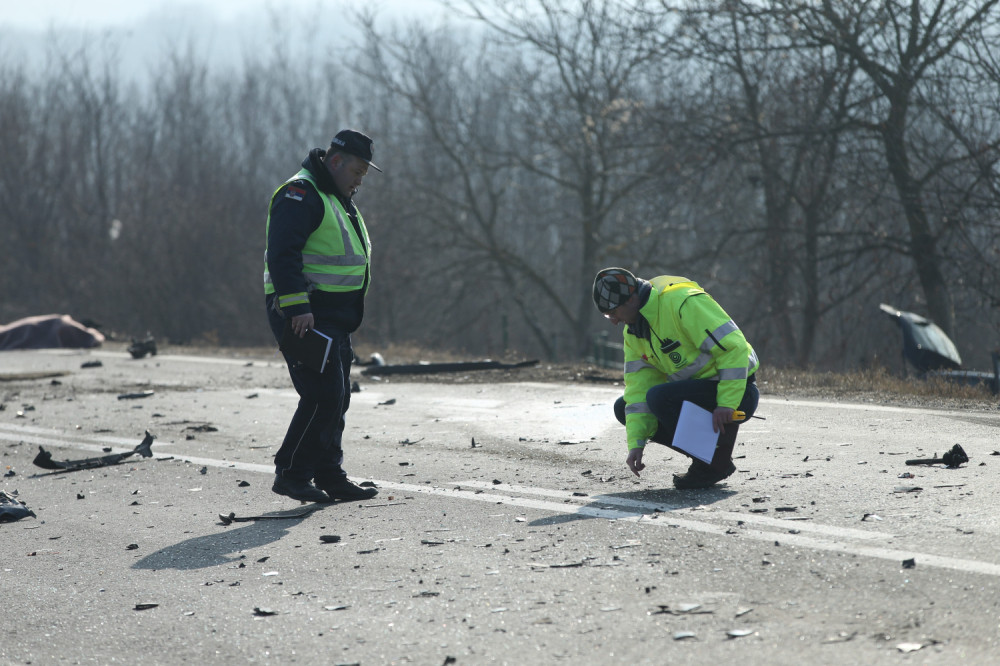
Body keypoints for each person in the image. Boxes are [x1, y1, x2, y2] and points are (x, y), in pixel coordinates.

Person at [263, 129, 383, 502]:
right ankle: (292, 473)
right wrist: (298, 307)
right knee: (322, 396)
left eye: (365, 173)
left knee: (338, 396)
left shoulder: (336, 195)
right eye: (358, 171)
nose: (360, 179)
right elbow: (283, 254)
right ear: (335, 162)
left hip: (333, 315)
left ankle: (330, 474)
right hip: (304, 314)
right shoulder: (300, 194)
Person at [593, 267, 760, 489]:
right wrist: (637, 443)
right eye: (607, 315)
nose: (613, 321)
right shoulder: (634, 332)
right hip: (698, 395)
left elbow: (734, 349)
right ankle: (710, 460)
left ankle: (714, 461)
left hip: (739, 393)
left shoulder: (682, 303)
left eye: (613, 312)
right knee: (623, 407)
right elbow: (638, 388)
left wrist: (726, 404)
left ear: (632, 299)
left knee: (659, 398)